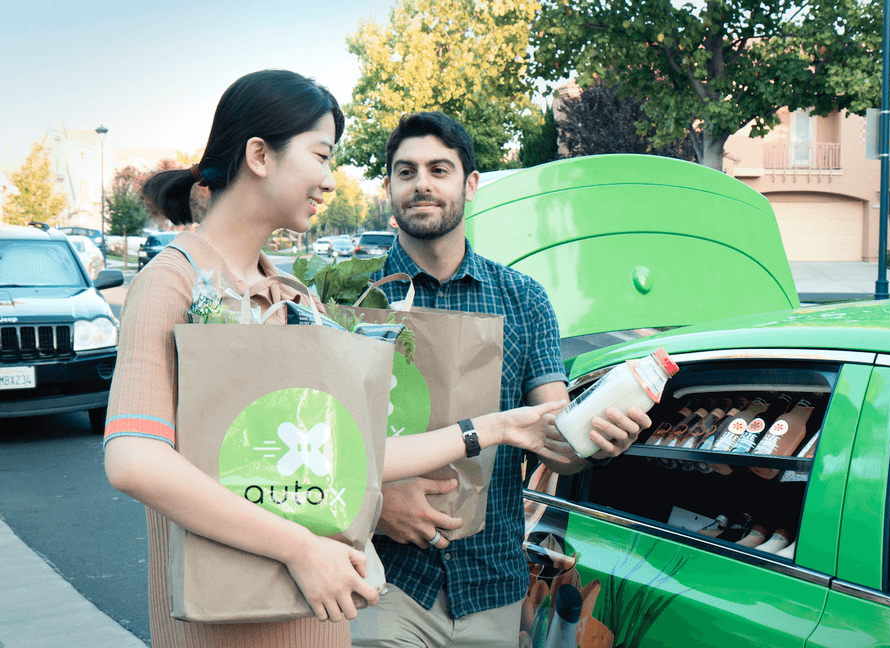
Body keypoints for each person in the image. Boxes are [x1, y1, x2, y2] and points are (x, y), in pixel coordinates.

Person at [102, 71, 565, 648]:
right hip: (228, 624)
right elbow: (135, 460)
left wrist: (496, 427)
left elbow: (352, 449)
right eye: (321, 156)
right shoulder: (173, 281)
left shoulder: (291, 295)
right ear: (259, 156)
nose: (329, 179)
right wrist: (300, 547)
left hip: (316, 619)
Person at [349, 111, 653, 648]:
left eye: (439, 170)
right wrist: (373, 506)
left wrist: (595, 440)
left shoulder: (523, 299)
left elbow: (555, 438)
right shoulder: (353, 297)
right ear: (389, 187)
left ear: (470, 185)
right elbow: (321, 443)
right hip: (383, 581)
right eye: (406, 171)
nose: (421, 184)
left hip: (493, 584)